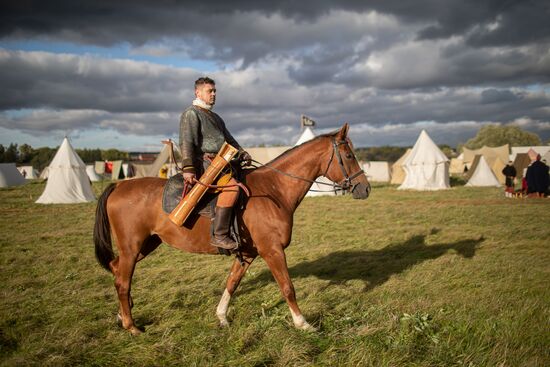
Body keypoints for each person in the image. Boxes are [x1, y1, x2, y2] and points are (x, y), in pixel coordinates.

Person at [179, 77, 251, 250]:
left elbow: (230, 140)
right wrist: (188, 168)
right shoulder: (191, 113)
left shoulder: (216, 117)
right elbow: (186, 142)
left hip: (224, 163)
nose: (213, 94)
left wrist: (242, 153)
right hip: (206, 166)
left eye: (214, 91)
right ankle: (220, 235)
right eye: (209, 91)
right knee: (232, 187)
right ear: (198, 92)